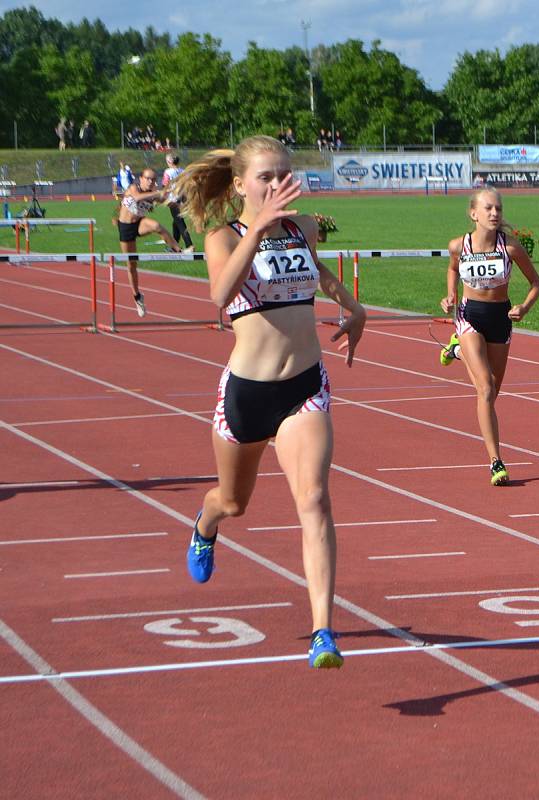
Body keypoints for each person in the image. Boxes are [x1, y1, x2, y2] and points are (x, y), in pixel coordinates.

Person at [172, 135, 366, 668]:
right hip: (248, 394)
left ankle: (322, 631)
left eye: (285, 176)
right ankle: (206, 524)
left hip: (304, 387)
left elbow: (318, 274)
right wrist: (256, 229)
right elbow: (219, 294)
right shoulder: (222, 237)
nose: (278, 186)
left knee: (315, 501)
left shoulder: (301, 228)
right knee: (233, 502)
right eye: (266, 177)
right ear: (239, 185)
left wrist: (354, 307)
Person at [438, 188, 539, 486]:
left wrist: (524, 307)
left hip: (501, 318)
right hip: (470, 315)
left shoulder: (510, 248)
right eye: (488, 208)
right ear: (474, 213)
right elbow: (452, 269)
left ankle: (457, 352)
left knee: (493, 391)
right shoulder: (459, 246)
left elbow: (537, 283)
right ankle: (496, 461)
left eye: (498, 208)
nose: (495, 213)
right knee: (484, 389)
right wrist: (450, 295)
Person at [117, 167, 181, 316]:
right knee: (131, 265)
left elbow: (170, 202)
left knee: (157, 226)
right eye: (148, 178)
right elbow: (137, 198)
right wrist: (159, 193)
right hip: (126, 227)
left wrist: (179, 200)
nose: (151, 181)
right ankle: (137, 297)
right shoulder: (134, 188)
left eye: (153, 179)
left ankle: (176, 249)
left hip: (139, 224)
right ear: (141, 179)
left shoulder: (154, 195)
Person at [161, 154, 194, 252]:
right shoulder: (183, 171)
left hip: (173, 200)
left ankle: (189, 245)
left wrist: (163, 196)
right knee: (176, 222)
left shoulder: (168, 172)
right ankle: (174, 245)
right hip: (182, 199)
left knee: (180, 223)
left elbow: (165, 185)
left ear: (170, 162)